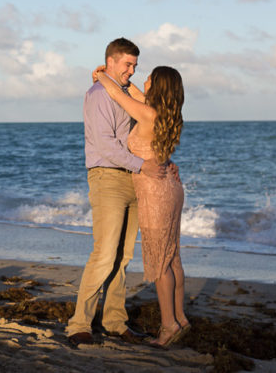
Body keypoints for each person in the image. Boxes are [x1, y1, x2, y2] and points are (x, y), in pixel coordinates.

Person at [66, 38, 168, 347]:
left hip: (133, 178)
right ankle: (79, 324)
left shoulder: (123, 93)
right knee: (105, 253)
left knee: (123, 257)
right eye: (127, 65)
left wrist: (149, 166)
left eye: (135, 66)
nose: (132, 71)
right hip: (108, 178)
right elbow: (106, 146)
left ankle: (113, 321)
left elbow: (145, 125)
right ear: (110, 62)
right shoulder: (99, 95)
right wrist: (142, 166)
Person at [94, 64, 190, 348]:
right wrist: (120, 78)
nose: (143, 79)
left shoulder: (148, 113)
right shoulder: (167, 114)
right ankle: (181, 317)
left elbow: (118, 95)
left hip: (155, 193)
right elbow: (131, 91)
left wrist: (100, 75)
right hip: (172, 189)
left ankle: (169, 325)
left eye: (149, 78)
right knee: (172, 258)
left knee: (159, 263)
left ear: (158, 86)